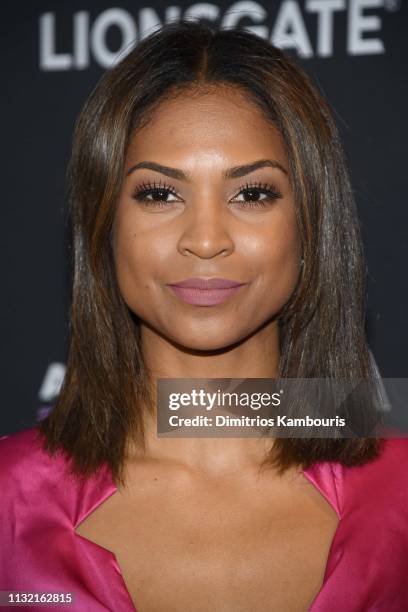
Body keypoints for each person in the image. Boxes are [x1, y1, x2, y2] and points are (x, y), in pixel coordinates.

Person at [1, 19, 407, 612]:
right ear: (104, 226)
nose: (206, 239)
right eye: (159, 194)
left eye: (253, 193)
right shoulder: (8, 498)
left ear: (311, 224)